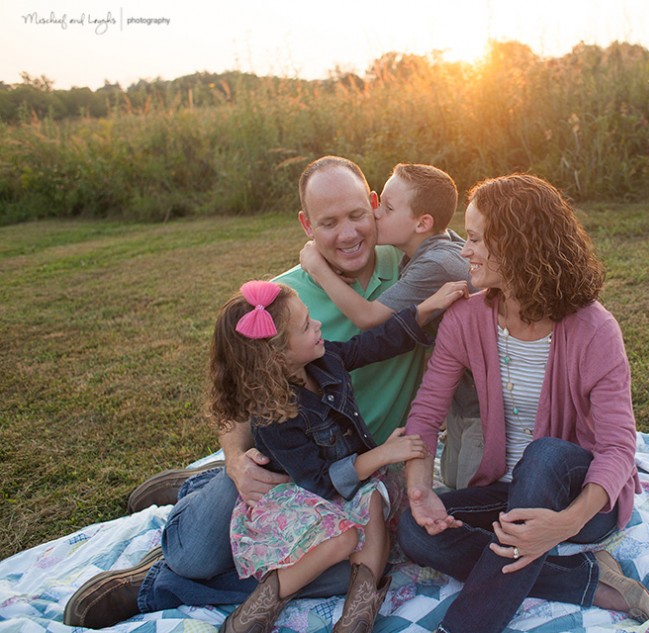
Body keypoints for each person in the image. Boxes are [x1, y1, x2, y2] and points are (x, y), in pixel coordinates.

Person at [64, 157, 434, 627]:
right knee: (195, 554)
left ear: (376, 206)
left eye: (357, 215)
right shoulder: (279, 301)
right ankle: (200, 495)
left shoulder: (414, 272)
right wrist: (237, 462)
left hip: (355, 474)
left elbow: (400, 317)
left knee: (356, 565)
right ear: (306, 224)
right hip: (287, 464)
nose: (347, 234)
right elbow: (235, 399)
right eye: (328, 222)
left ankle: (161, 585)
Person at [396, 174, 649, 633]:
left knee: (544, 455)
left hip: (580, 502)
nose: (465, 251)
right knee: (413, 531)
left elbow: (620, 446)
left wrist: (563, 525)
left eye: (477, 239)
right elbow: (426, 413)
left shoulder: (595, 329)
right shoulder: (465, 319)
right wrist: (421, 493)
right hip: (506, 493)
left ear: (519, 246)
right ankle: (588, 583)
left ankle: (461, 627)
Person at [208, 278, 465, 632]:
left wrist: (427, 308)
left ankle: (357, 615)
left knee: (374, 499)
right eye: (306, 326)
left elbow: (373, 344)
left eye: (310, 317)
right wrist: (382, 455)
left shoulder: (325, 359)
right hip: (300, 498)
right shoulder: (274, 419)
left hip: (351, 484)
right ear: (278, 357)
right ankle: (253, 613)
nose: (318, 326)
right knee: (345, 537)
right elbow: (319, 482)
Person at [299, 162, 482, 490]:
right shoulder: (432, 248)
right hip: (462, 400)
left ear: (422, 223)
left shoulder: (434, 263)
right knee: (454, 479)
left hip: (487, 401)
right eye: (379, 203)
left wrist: (317, 267)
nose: (377, 213)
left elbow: (368, 318)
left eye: (386, 206)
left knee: (473, 492)